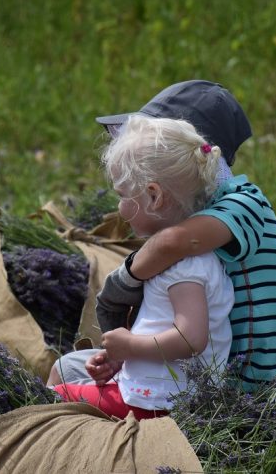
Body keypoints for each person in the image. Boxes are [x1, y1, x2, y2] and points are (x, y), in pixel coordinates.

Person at [48, 80, 276, 390]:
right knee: (67, 367)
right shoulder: (200, 213)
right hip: (204, 370)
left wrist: (124, 280)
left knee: (64, 374)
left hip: (244, 384)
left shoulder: (244, 200)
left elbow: (174, 243)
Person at [50, 115, 235, 419]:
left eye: (123, 195)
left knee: (49, 400)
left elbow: (191, 338)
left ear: (153, 196)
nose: (119, 207)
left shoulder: (185, 265)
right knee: (63, 377)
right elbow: (163, 330)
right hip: (158, 392)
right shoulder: (183, 258)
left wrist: (131, 346)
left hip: (154, 402)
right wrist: (120, 359)